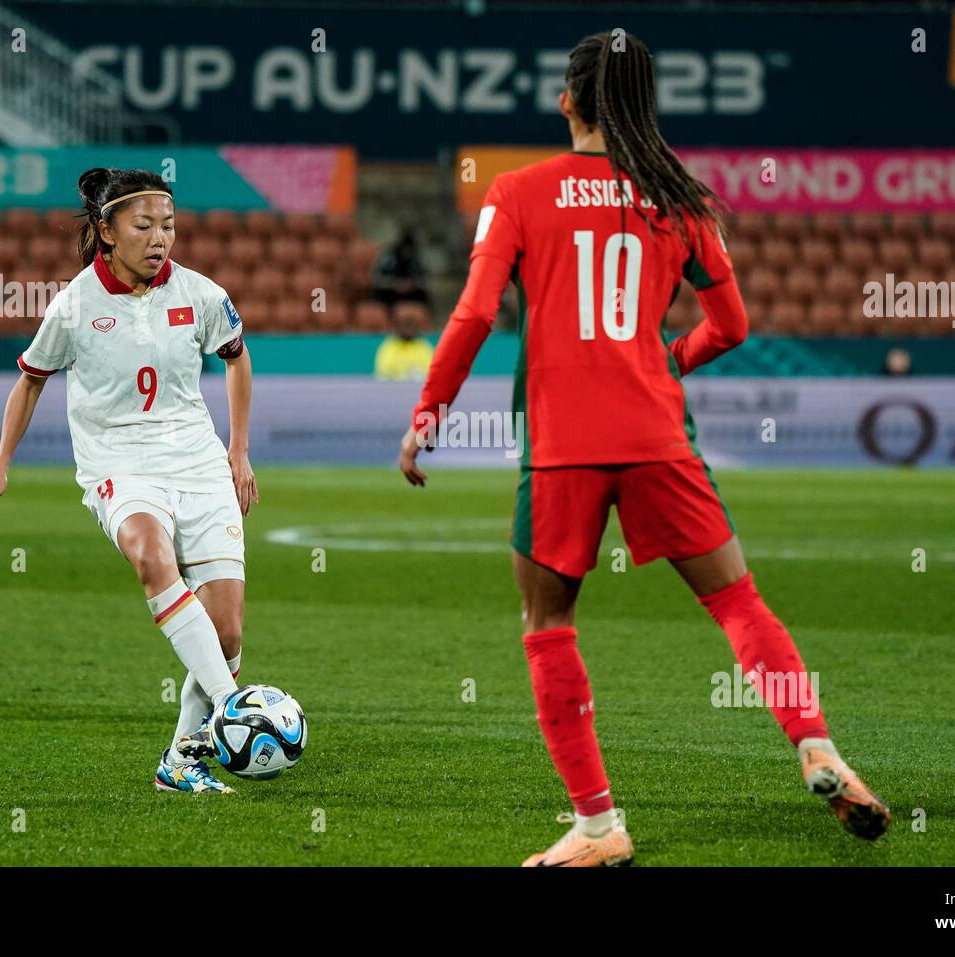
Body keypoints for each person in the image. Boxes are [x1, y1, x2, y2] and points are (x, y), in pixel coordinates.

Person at [398, 31, 889, 866]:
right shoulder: (681, 198)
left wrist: (429, 411)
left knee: (548, 623)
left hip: (562, 447)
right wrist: (667, 359)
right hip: (660, 436)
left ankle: (598, 828)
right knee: (738, 602)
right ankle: (815, 744)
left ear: (567, 103)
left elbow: (476, 314)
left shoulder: (518, 191)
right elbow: (731, 326)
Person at [0, 168, 258, 794]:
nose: (160, 239)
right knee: (150, 555)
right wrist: (0, 469)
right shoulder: (74, 305)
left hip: (199, 463)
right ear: (106, 231)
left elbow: (236, 357)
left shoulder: (202, 294)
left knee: (227, 628)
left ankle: (183, 757)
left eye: (170, 226)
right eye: (144, 226)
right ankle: (238, 710)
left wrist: (238, 451)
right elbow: (31, 379)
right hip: (119, 466)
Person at [374, 302, 434, 381]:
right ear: (397, 325)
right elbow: (382, 376)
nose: (407, 328)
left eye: (410, 324)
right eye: (404, 324)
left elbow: (430, 376)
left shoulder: (424, 347)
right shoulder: (388, 346)